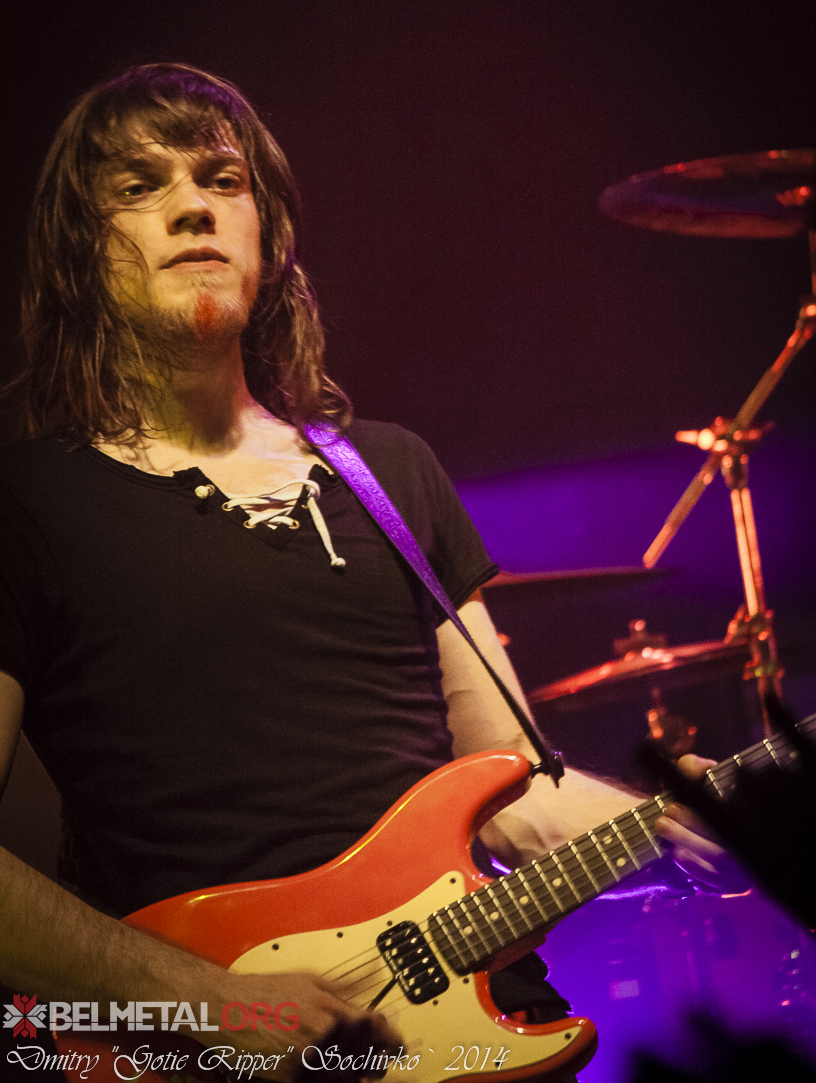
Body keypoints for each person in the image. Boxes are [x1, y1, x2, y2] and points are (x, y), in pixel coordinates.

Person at [0, 64, 724, 1078]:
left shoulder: (392, 471)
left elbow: (521, 796)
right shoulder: (27, 505)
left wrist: (700, 822)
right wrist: (211, 1002)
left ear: (269, 234)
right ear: (82, 246)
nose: (193, 207)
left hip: (471, 1038)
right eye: (138, 185)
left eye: (222, 179)